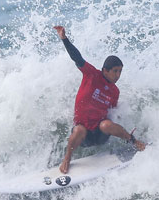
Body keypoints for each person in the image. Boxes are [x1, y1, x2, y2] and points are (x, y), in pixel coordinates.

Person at [54, 25, 146, 173]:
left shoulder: (115, 91)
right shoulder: (91, 75)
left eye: (120, 71)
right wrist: (64, 39)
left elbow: (112, 113)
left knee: (106, 125)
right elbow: (76, 57)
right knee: (78, 130)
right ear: (105, 70)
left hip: (100, 134)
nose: (118, 75)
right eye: (115, 71)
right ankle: (67, 159)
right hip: (84, 135)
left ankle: (133, 141)